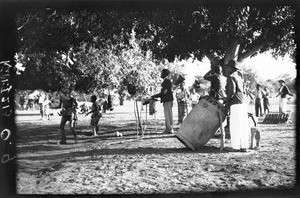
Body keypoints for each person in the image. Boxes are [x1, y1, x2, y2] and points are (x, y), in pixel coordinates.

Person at [223, 59, 248, 152]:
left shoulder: (231, 77)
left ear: (232, 68)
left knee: (235, 126)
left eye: (227, 67)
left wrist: (227, 102)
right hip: (243, 102)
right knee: (243, 126)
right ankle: (244, 146)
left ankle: (236, 147)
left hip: (235, 103)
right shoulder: (240, 77)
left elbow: (232, 92)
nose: (226, 69)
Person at [151, 68, 174, 134]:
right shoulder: (166, 81)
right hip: (167, 100)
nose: (161, 74)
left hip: (167, 100)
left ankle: (169, 129)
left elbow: (164, 92)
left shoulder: (167, 81)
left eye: (162, 73)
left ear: (164, 74)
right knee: (168, 115)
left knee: (168, 115)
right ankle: (169, 129)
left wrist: (155, 96)